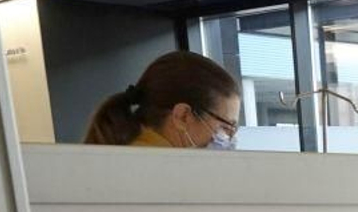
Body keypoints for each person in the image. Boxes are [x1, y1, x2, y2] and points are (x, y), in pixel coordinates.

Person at [83, 51, 240, 149]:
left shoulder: (119, 155)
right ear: (182, 116)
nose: (230, 139)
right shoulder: (164, 174)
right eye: (226, 127)